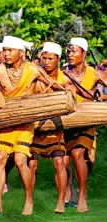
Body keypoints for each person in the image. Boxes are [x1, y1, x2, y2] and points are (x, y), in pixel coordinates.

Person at [0, 36, 55, 215]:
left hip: (25, 122)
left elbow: (52, 85)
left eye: (10, 50)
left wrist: (65, 93)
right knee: (1, 158)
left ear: (21, 52)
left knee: (19, 160)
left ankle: (28, 200)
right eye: (4, 50)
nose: (5, 54)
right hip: (6, 120)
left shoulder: (33, 69)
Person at [61, 37, 107, 212]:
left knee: (78, 155)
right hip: (66, 121)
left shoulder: (94, 73)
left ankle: (82, 196)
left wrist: (96, 96)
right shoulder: (63, 72)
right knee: (64, 161)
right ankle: (69, 190)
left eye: (74, 51)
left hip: (86, 120)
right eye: (69, 51)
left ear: (84, 54)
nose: (70, 55)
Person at [29, 42, 67, 213]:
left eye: (51, 58)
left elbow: (71, 98)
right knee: (32, 165)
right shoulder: (35, 75)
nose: (47, 61)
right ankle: (28, 201)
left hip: (56, 127)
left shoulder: (65, 78)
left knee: (59, 162)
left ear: (58, 59)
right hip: (36, 127)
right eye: (44, 58)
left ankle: (60, 202)